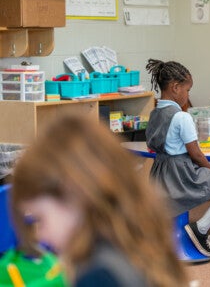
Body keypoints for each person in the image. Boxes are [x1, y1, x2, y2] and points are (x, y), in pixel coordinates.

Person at [10, 115, 189, 287]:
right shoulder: (136, 238)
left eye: (40, 219)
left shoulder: (98, 275)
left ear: (73, 195)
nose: (40, 235)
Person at [145, 59, 210, 258]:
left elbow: (152, 145)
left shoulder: (154, 113)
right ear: (175, 87)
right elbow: (196, 153)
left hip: (159, 174)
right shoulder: (181, 116)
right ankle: (200, 229)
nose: (188, 95)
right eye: (187, 90)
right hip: (180, 174)